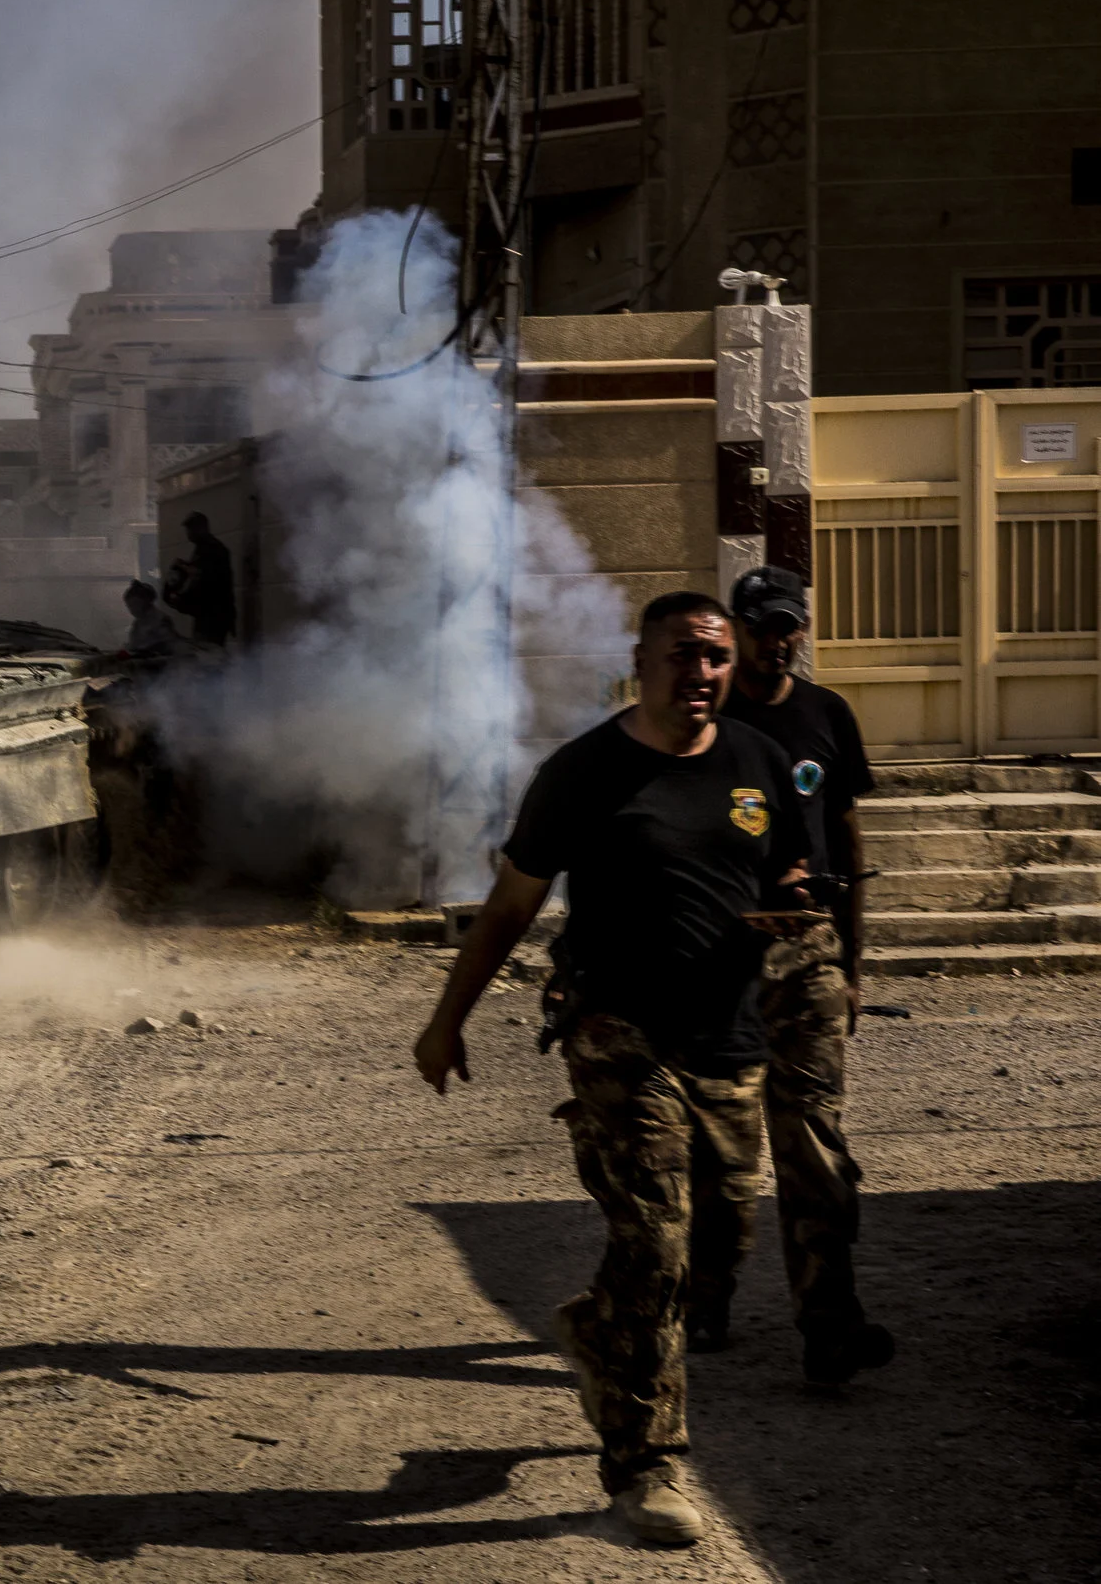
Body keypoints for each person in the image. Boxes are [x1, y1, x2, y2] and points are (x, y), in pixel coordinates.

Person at [413, 590, 811, 1548]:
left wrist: (794, 912)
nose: (701, 673)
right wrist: (447, 1021)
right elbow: (510, 904)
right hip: (616, 1032)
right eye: (682, 655)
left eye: (715, 656)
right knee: (655, 1242)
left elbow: (789, 872)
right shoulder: (585, 771)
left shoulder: (758, 763)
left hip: (728, 1037)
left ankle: (599, 1326)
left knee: (721, 1235)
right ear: (641, 661)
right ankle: (647, 1467)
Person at [719, 563, 897, 1386]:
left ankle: (829, 1324)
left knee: (814, 1141)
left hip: (810, 953)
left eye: (789, 625)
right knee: (716, 1145)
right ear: (737, 629)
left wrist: (855, 963)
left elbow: (849, 836)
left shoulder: (827, 714)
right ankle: (704, 1299)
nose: (779, 641)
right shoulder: (705, 716)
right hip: (718, 956)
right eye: (764, 628)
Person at [163, 511, 236, 645]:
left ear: (202, 528)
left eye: (192, 528)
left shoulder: (213, 549)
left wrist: (184, 568)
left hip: (213, 615)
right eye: (188, 529)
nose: (189, 533)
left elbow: (205, 578)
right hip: (205, 615)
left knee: (208, 653)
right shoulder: (202, 549)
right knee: (202, 651)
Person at [120, 579, 187, 659]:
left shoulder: (160, 620)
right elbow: (134, 647)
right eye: (129, 606)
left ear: (145, 602)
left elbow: (171, 647)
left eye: (135, 604)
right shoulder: (138, 623)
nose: (132, 609)